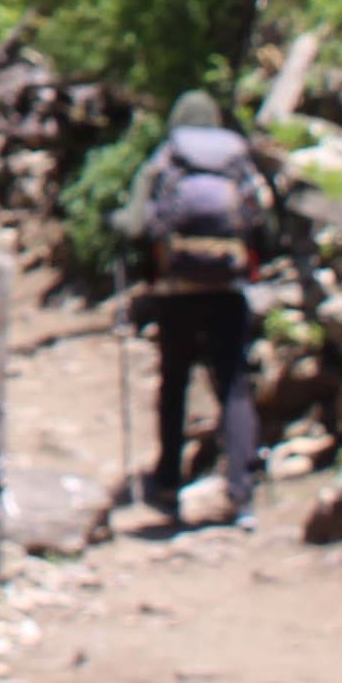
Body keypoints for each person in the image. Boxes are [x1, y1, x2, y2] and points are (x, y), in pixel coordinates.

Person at [116, 88, 266, 521]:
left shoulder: (165, 159)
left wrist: (117, 224)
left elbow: (136, 225)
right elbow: (260, 219)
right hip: (229, 289)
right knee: (234, 387)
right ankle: (242, 493)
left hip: (177, 292)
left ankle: (166, 484)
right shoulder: (238, 159)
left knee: (174, 384)